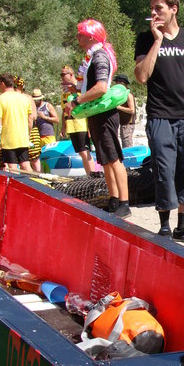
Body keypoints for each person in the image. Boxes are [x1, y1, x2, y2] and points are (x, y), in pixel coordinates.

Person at [134, 0, 184, 246]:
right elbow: (142, 76)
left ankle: (183, 227)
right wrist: (157, 41)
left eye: (159, 8)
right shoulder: (146, 39)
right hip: (160, 116)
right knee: (163, 170)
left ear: (174, 9)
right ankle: (164, 228)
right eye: (151, 8)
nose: (154, 13)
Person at [65, 20, 130, 218]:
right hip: (96, 113)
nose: (77, 37)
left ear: (91, 36)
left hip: (104, 114)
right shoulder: (93, 56)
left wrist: (77, 101)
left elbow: (101, 87)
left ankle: (124, 202)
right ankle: (113, 199)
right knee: (105, 159)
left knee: (114, 158)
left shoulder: (100, 55)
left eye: (80, 34)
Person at [0, 72, 33, 172]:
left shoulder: (0, 99)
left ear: (2, 83)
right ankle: (33, 181)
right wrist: (28, 135)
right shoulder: (24, 98)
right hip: (23, 138)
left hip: (8, 139)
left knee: (12, 168)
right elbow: (30, 119)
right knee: (26, 166)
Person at [59, 65, 95, 176]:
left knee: (85, 152)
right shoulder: (65, 92)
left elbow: (88, 107)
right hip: (71, 125)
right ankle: (89, 175)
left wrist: (90, 127)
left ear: (71, 74)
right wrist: (63, 127)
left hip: (81, 124)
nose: (61, 77)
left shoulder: (80, 88)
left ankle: (94, 175)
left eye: (63, 74)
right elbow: (64, 111)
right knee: (81, 152)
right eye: (61, 75)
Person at [14, 76, 41, 171]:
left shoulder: (28, 98)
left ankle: (38, 178)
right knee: (23, 161)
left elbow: (34, 116)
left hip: (31, 131)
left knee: (34, 160)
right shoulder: (13, 98)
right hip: (19, 132)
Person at [113, 74, 136, 148]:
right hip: (123, 123)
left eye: (117, 82)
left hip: (128, 124)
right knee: (124, 143)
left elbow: (132, 110)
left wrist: (118, 107)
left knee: (127, 144)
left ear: (122, 82)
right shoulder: (122, 94)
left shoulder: (128, 94)